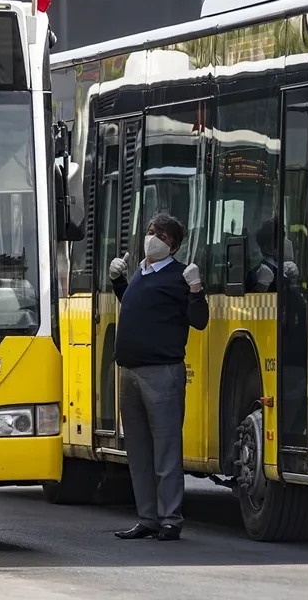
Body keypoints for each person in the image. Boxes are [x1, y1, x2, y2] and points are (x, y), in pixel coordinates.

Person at [109, 212, 209, 542]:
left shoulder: (179, 276)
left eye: (161, 236)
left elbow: (199, 320)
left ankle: (170, 519)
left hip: (162, 373)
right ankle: (147, 518)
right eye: (151, 231)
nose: (152, 238)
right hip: (129, 372)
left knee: (165, 450)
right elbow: (137, 305)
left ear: (174, 247)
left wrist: (196, 289)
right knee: (138, 452)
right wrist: (118, 282)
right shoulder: (142, 272)